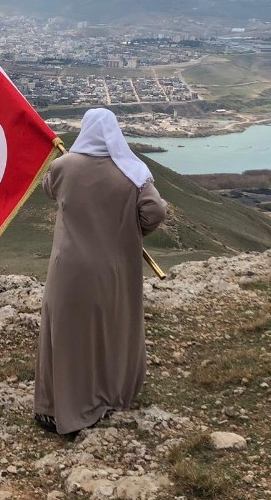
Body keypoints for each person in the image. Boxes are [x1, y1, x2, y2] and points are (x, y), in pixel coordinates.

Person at [34, 108, 168, 436]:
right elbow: (155, 211)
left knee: (66, 334)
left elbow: (47, 188)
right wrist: (130, 231)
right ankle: (108, 396)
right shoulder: (133, 172)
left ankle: (53, 409)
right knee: (110, 330)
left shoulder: (64, 167)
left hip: (68, 270)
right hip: (113, 270)